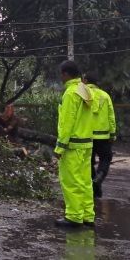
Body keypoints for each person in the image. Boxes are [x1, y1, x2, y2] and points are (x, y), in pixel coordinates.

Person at [55, 60, 97, 229]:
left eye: (61, 74)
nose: (60, 77)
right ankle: (88, 215)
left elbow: (67, 122)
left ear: (66, 74)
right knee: (85, 182)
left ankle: (73, 217)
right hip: (86, 144)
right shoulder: (85, 90)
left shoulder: (71, 93)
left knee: (71, 182)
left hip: (72, 146)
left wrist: (60, 147)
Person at [83, 71, 116, 199]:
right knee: (106, 158)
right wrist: (112, 134)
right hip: (103, 137)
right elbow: (111, 117)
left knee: (89, 162)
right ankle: (100, 176)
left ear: (86, 81)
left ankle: (94, 188)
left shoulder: (83, 94)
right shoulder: (105, 96)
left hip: (87, 136)